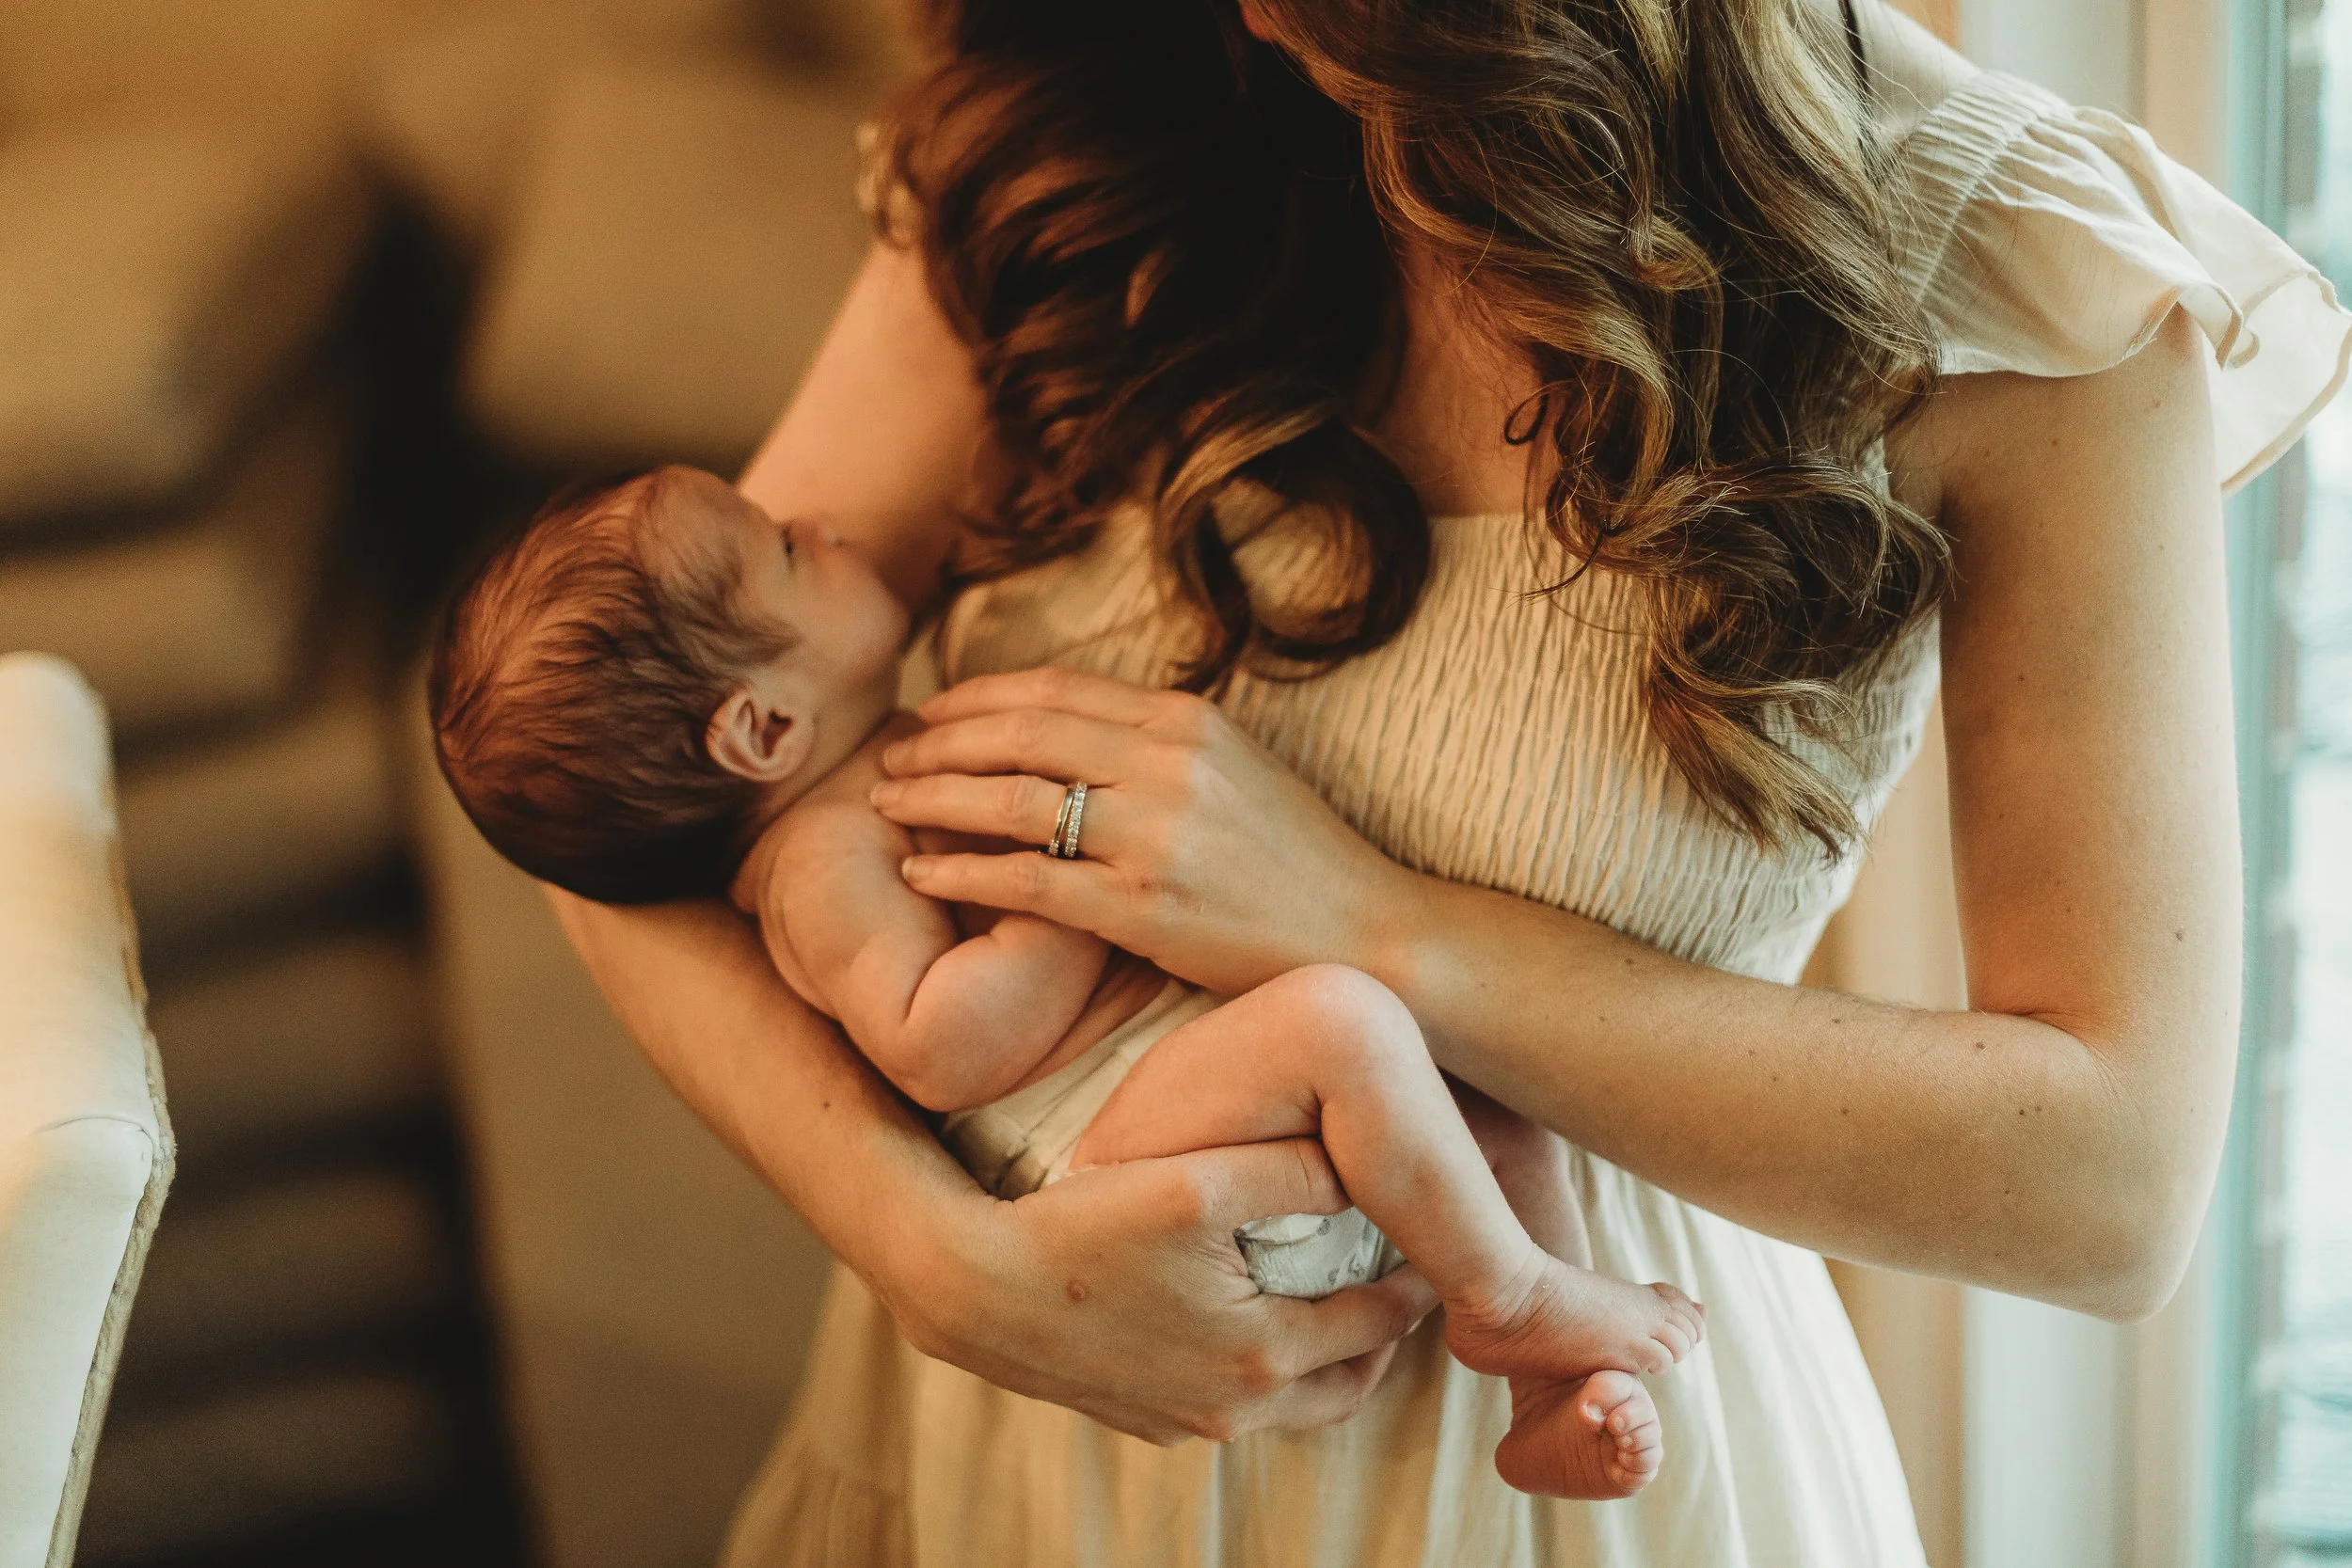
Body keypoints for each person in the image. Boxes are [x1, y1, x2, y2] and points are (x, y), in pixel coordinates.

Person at [539, 0, 2352, 1561]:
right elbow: (618, 806)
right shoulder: (1085, 119)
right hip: (990, 1469)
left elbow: (2107, 1184)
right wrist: (940, 1259)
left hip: (1557, 1496)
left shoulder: (2007, 281)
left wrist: (1376, 933)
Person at [426, 464, 1706, 1499]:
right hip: (1112, 1156)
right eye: (786, 547)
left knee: (1486, 1077)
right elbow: (933, 1044)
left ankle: (1552, 1374)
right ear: (762, 730)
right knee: (1347, 1020)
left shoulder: (870, 768)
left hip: (1186, 1093)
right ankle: (1509, 1295)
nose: (817, 510)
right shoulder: (818, 865)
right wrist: (1075, 886)